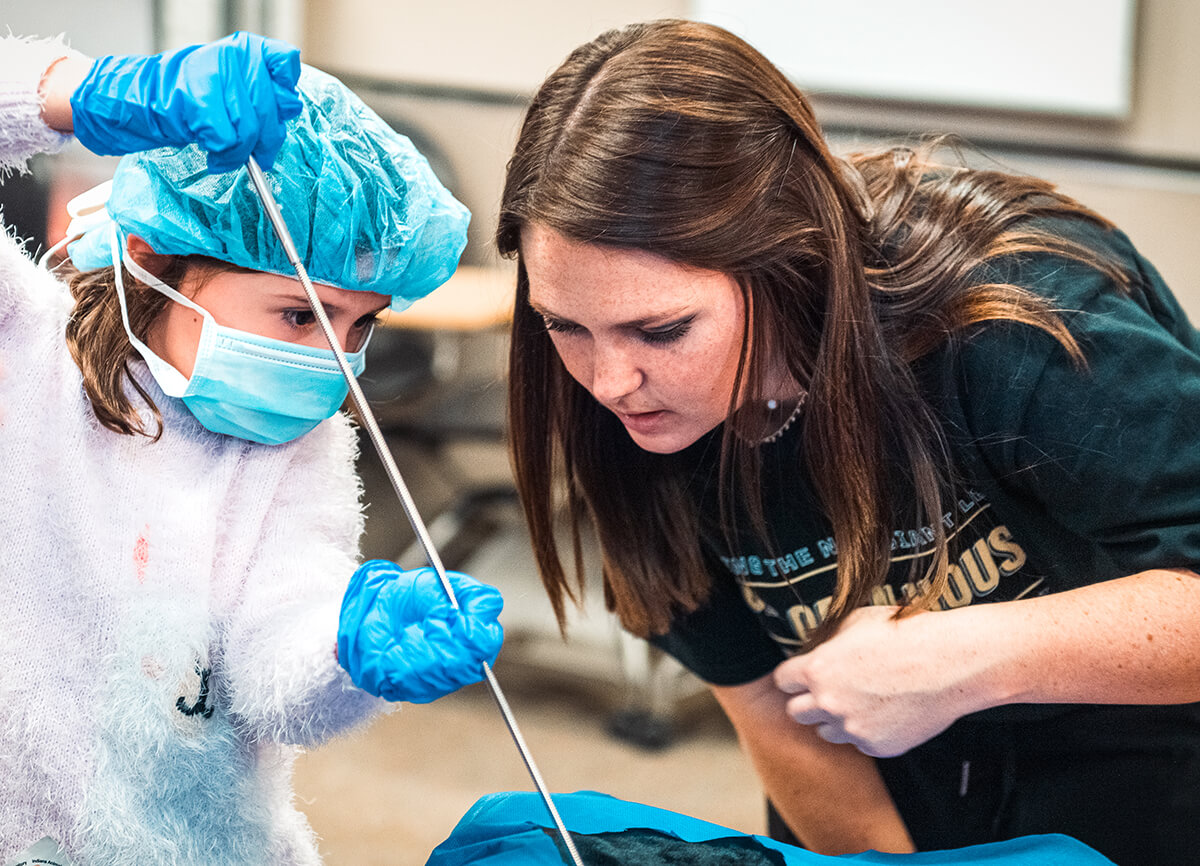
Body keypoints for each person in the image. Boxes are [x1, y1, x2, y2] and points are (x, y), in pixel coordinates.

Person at [494, 18, 1200, 866]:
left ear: (784, 254)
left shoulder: (1019, 319)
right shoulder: (627, 412)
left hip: (1139, 760)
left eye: (663, 329)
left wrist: (967, 657)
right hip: (886, 780)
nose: (608, 383)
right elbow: (761, 701)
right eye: (565, 326)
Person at [0, 33, 503, 864]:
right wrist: (81, 93)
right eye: (300, 315)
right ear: (151, 256)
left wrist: (348, 646)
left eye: (360, 323)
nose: (334, 361)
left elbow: (276, 679)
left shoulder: (301, 452)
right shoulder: (25, 354)